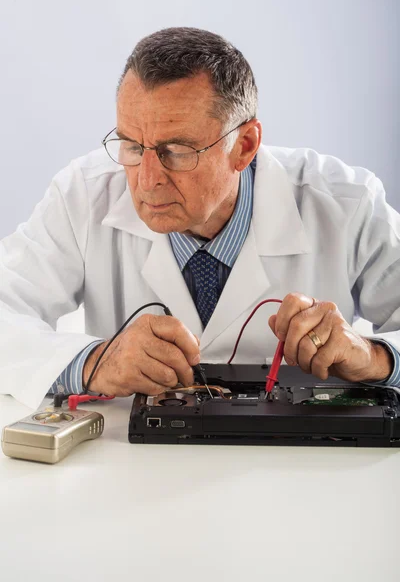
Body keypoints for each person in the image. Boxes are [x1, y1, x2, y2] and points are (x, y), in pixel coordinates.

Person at [0, 27, 399, 409]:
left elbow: (380, 355)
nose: (148, 181)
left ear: (244, 146)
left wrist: (375, 356)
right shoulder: (83, 195)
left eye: (176, 150)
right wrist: (94, 363)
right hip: (131, 468)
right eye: (132, 146)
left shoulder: (347, 203)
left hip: (301, 463)